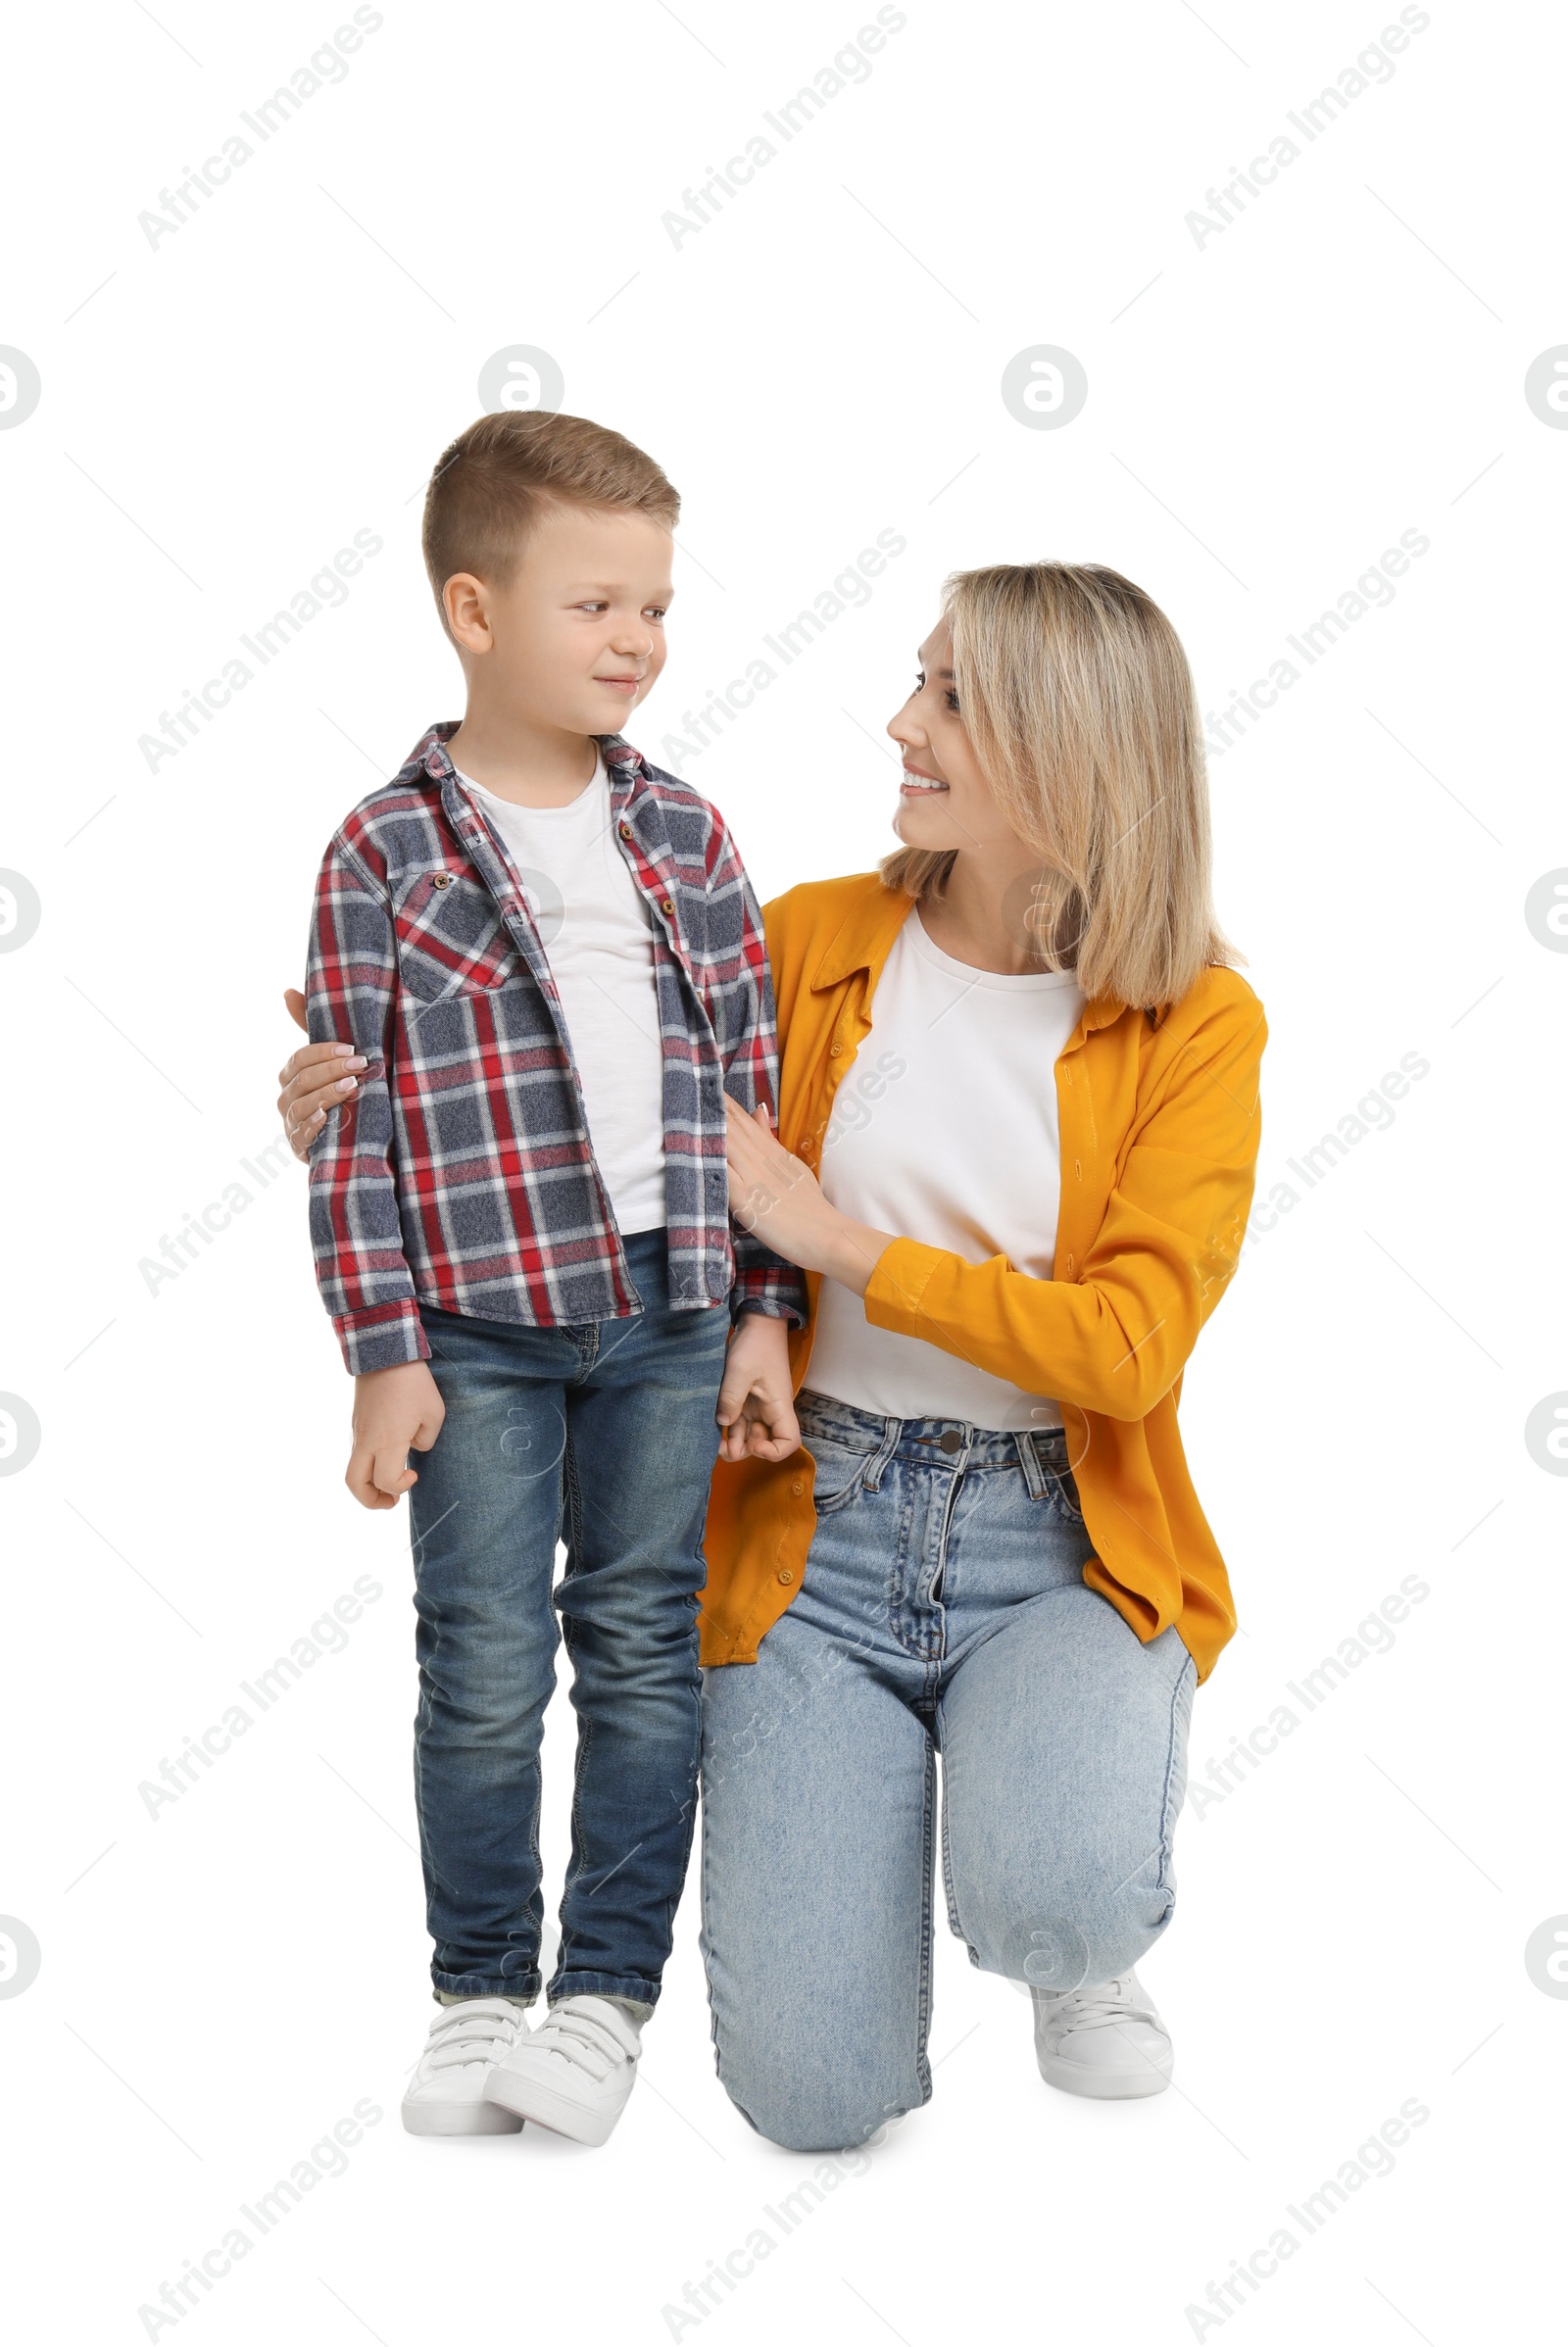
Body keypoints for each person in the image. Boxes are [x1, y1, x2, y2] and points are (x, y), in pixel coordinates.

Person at [280, 558, 1265, 2156]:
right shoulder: (807, 942)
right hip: (815, 1536)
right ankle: (976, 1857)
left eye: (948, 695)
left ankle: (1068, 1929)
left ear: (1065, 744)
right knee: (813, 2104)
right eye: (918, 678)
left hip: (1063, 1544)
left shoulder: (1198, 1024)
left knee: (1057, 1900)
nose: (902, 722)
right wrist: (357, 1086)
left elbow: (1130, 1352)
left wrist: (842, 1246)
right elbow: (582, 1069)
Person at [296, 408, 804, 2146]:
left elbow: (755, 1099)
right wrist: (383, 1344)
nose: (637, 643)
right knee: (486, 1663)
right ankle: (478, 1987)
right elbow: (345, 1119)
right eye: (596, 604)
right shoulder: (385, 850)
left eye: (655, 606)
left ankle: (603, 1995)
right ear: (474, 609)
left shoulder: (687, 837)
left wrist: (762, 1309)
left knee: (645, 1651)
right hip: (478, 1334)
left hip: (668, 1317)